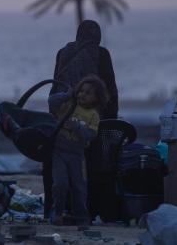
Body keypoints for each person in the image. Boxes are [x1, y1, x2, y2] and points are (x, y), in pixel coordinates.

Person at [43, 19, 119, 218]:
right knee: (92, 168)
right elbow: (109, 90)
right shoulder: (102, 54)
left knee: (57, 170)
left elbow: (56, 83)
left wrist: (56, 116)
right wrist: (109, 120)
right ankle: (90, 212)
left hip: (63, 117)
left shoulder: (63, 52)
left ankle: (55, 210)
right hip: (91, 120)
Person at [48, 75, 109, 225]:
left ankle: (81, 217)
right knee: (60, 184)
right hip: (59, 151)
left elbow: (91, 135)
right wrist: (67, 94)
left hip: (77, 155)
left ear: (96, 98)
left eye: (88, 93)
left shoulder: (93, 115)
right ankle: (57, 213)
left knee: (79, 187)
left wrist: (77, 127)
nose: (83, 94)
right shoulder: (68, 104)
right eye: (81, 90)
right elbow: (51, 102)